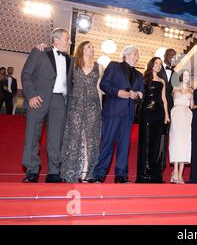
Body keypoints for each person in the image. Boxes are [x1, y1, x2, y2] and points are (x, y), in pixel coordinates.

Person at [21, 28, 73, 183]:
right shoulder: (40, 51)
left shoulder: (70, 59)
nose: (69, 42)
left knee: (56, 138)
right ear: (56, 39)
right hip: (38, 98)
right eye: (66, 38)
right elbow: (26, 74)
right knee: (32, 135)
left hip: (59, 101)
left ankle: (53, 172)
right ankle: (32, 170)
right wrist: (31, 95)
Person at [93, 45, 144, 183]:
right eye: (135, 54)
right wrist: (117, 92)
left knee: (124, 146)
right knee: (107, 144)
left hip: (128, 114)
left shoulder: (140, 75)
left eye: (137, 55)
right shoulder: (114, 66)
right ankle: (98, 175)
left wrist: (138, 95)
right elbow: (104, 84)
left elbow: (141, 93)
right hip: (113, 111)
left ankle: (121, 176)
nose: (137, 57)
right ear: (126, 55)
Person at [59, 41, 103, 183]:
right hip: (75, 105)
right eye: (89, 46)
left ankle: (87, 172)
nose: (92, 48)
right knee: (74, 138)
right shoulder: (73, 63)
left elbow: (98, 89)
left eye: (92, 47)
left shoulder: (99, 67)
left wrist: (100, 108)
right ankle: (70, 172)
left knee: (90, 138)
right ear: (82, 49)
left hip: (93, 106)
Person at [136, 57, 170, 183]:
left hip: (159, 113)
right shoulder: (144, 78)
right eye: (156, 63)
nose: (158, 65)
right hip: (147, 112)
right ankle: (144, 173)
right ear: (151, 64)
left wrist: (166, 115)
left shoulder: (162, 81)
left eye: (160, 64)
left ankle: (155, 174)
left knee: (156, 143)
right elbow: (139, 94)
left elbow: (164, 99)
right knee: (146, 141)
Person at [169, 70, 193, 184]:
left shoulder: (191, 91)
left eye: (188, 75)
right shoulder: (174, 88)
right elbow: (170, 102)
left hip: (186, 116)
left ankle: (180, 174)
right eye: (185, 75)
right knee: (176, 142)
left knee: (184, 143)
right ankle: (175, 171)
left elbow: (192, 106)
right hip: (176, 115)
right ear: (181, 76)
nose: (186, 77)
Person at [157, 48, 178, 175]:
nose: (172, 57)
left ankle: (161, 167)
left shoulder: (176, 74)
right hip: (156, 108)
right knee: (155, 138)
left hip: (169, 111)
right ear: (164, 55)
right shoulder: (158, 69)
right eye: (170, 55)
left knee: (164, 139)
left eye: (174, 56)